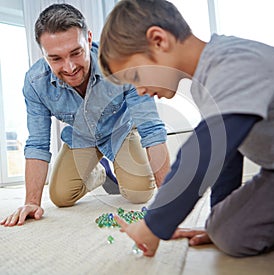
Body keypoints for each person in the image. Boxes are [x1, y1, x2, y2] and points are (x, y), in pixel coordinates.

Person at [99, 0, 274, 257]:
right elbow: (228, 158)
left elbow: (204, 152)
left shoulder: (232, 64)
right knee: (228, 233)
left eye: (136, 76)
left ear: (159, 40)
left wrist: (153, 223)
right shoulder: (205, 85)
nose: (140, 91)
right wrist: (218, 218)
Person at [0, 3, 170, 227]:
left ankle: (122, 166)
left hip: (119, 131)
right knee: (60, 196)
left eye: (76, 52)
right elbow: (38, 143)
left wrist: (170, 199)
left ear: (88, 39)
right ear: (43, 54)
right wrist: (31, 201)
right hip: (81, 137)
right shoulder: (35, 83)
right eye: (56, 58)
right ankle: (99, 173)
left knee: (139, 193)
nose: (69, 67)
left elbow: (151, 129)